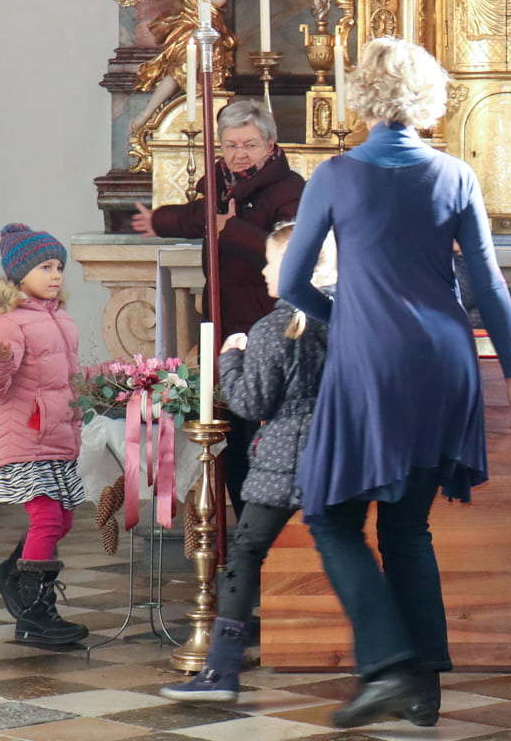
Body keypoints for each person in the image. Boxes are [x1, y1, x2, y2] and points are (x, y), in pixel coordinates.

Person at [279, 37, 511, 729]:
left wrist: (349, 317)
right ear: (428, 99)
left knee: (330, 515)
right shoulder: (455, 174)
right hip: (447, 362)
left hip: (372, 361)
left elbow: (291, 282)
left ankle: (389, 665)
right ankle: (423, 690)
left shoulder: (335, 175)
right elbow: (487, 284)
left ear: (362, 94)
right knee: (406, 525)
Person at [162, 222, 336, 702]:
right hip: (334, 453)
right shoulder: (342, 318)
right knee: (345, 555)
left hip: (283, 457)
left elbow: (251, 402)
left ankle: (220, 670)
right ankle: (388, 663)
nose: (262, 271)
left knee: (244, 554)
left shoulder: (273, 327)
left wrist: (230, 360)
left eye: (271, 261)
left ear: (298, 267)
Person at [132, 98, 305, 515]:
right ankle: (243, 523)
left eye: (249, 144)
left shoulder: (290, 189)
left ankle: (272, 525)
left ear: (270, 144)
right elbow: (196, 217)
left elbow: (291, 252)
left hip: (267, 325)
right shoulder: (220, 183)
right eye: (230, 145)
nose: (239, 154)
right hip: (224, 324)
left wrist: (232, 229)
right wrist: (157, 221)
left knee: (266, 429)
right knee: (231, 428)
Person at [0, 225, 88, 646]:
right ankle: (35, 615)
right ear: (19, 274)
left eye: (59, 267)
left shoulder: (58, 317)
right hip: (23, 440)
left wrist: (114, 381)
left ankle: (11, 574)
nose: (55, 275)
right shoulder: (5, 321)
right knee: (47, 518)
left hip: (57, 437)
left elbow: (67, 378)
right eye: (45, 267)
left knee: (62, 520)